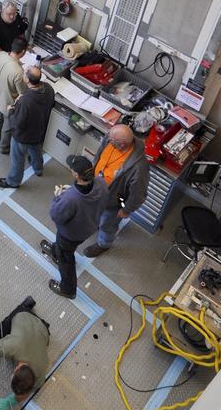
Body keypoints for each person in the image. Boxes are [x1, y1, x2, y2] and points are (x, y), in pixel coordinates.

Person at [39, 155, 107, 300]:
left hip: (70, 234)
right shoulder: (101, 183)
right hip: (87, 228)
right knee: (64, 248)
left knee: (66, 257)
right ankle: (56, 253)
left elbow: (56, 215)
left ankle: (68, 289)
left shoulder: (70, 198)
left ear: (76, 175)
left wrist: (58, 197)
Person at [83, 124, 148, 256]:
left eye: (111, 140)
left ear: (122, 144)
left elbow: (139, 194)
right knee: (95, 213)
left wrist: (126, 210)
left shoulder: (139, 168)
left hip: (116, 198)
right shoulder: (111, 138)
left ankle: (104, 244)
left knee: (108, 223)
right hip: (96, 190)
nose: (107, 139)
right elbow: (99, 154)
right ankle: (95, 224)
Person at [0, 67, 55, 189]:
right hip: (39, 131)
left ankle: (13, 181)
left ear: (27, 79)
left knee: (17, 159)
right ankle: (38, 169)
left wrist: (11, 111)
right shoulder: (48, 89)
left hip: (23, 136)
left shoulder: (26, 101)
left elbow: (16, 124)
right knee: (36, 150)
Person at [0, 35, 28, 152]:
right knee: (8, 126)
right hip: (9, 103)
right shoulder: (18, 72)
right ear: (23, 52)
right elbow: (23, 93)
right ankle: (4, 147)